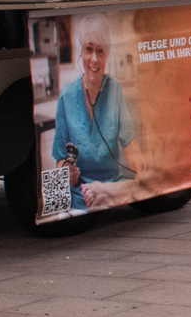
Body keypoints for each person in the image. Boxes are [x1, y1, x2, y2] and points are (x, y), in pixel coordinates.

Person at [49, 17, 138, 210]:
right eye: (89, 50)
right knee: (58, 210)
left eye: (100, 51)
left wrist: (146, 174)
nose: (95, 59)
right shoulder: (66, 96)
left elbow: (131, 147)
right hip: (79, 195)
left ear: (107, 54)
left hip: (112, 189)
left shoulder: (115, 90)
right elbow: (59, 160)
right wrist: (66, 171)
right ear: (81, 52)